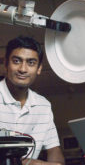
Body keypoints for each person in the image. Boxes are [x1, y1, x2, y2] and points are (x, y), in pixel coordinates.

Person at [0, 36, 65, 165]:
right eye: (17, 61)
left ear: (39, 68)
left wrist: (37, 163)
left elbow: (55, 155)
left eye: (31, 63)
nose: (23, 69)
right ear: (6, 64)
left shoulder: (43, 106)